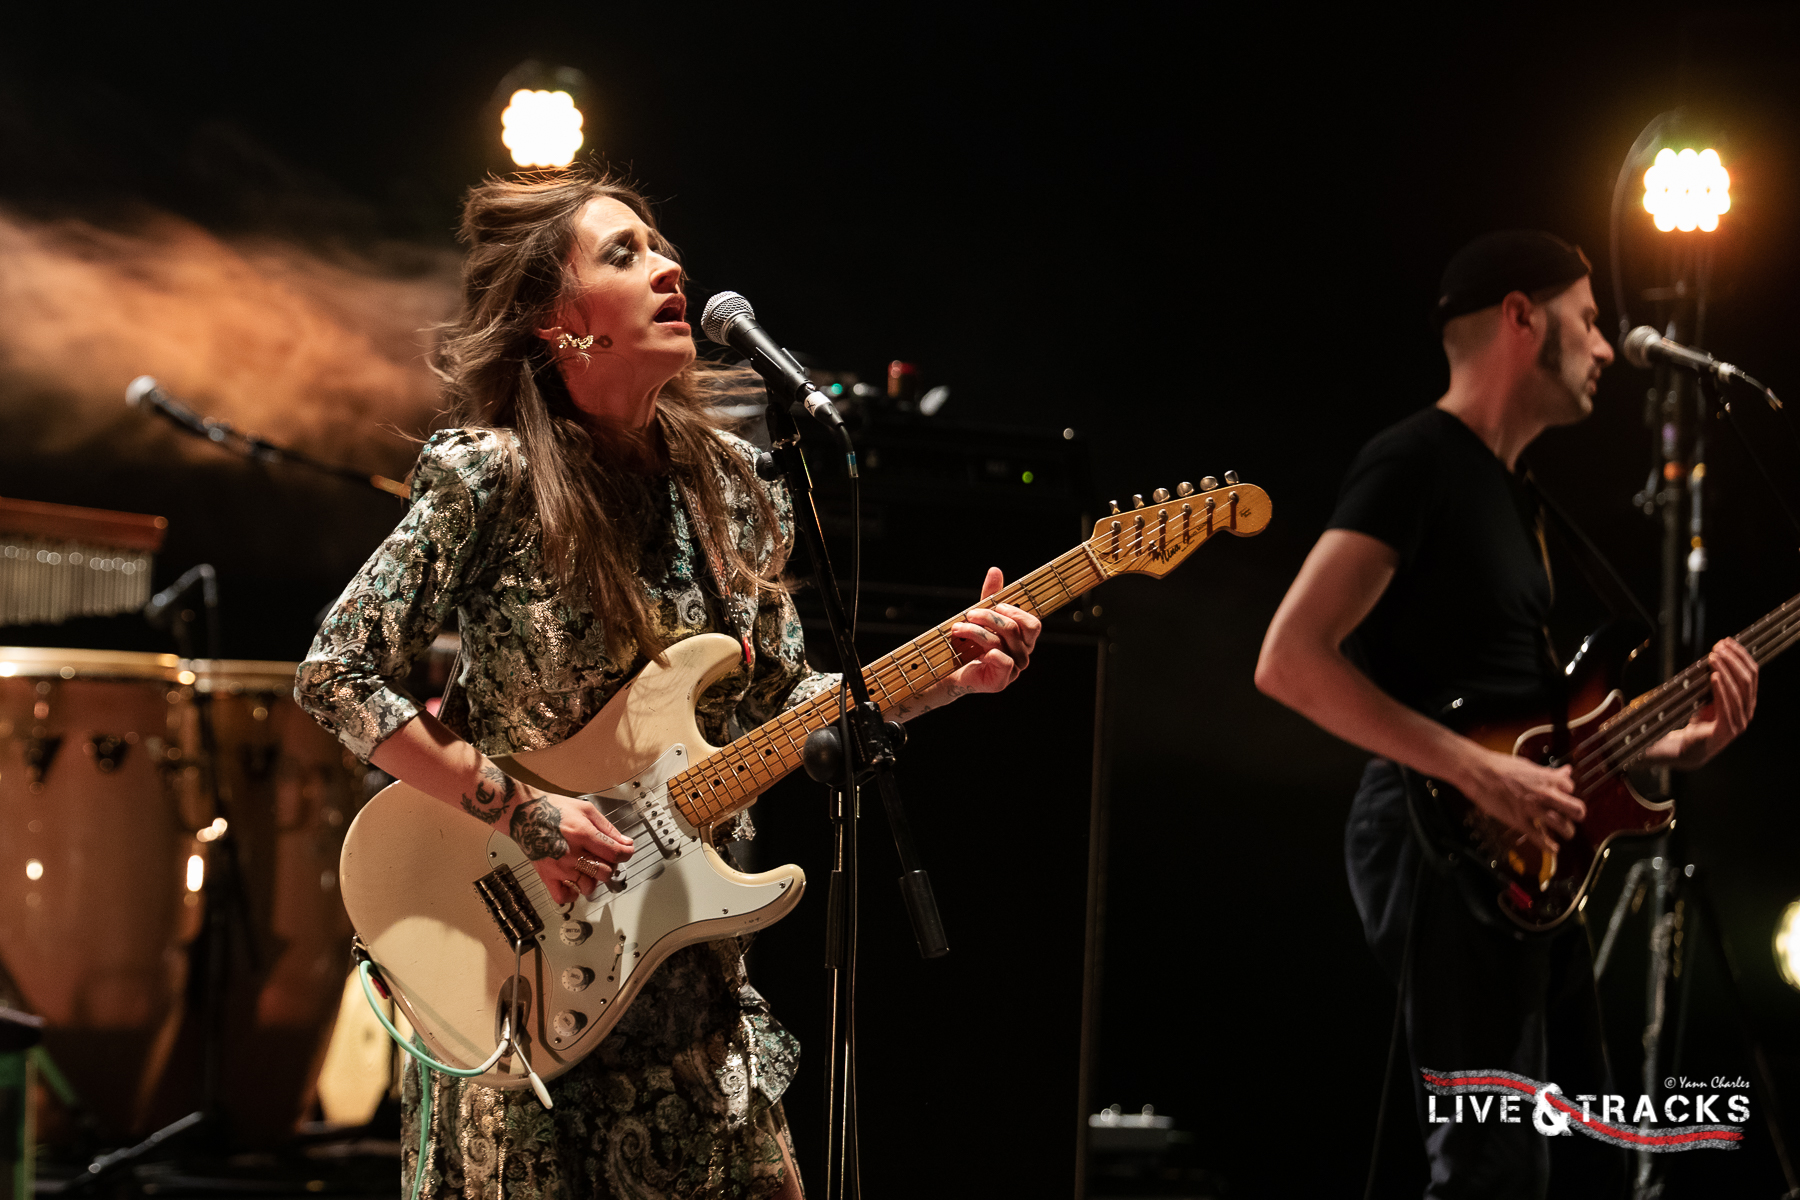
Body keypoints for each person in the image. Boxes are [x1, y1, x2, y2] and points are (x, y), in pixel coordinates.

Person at [295, 166, 1040, 1200]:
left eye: (662, 247)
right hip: (525, 993)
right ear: (559, 324)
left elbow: (784, 704)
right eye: (625, 253)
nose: (669, 267)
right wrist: (526, 814)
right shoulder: (491, 476)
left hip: (694, 1006)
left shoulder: (730, 486)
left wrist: (939, 677)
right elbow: (334, 673)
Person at [1253, 230, 1759, 1197]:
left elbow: (1535, 722)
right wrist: (1475, 770)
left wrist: (1677, 742)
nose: (1607, 347)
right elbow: (1290, 659)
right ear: (1522, 317)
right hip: (1440, 833)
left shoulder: (1516, 496)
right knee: (1491, 1168)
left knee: (1587, 1160)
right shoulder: (1414, 461)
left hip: (1527, 852)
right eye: (1588, 319)